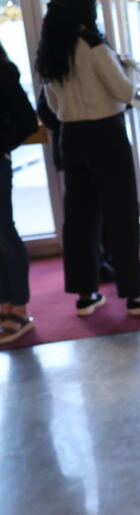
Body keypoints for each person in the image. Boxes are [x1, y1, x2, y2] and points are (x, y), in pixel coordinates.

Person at [36, 0, 140, 316]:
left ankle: (86, 295)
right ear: (87, 7)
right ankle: (135, 294)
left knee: (80, 217)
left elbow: (52, 105)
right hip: (104, 133)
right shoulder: (91, 43)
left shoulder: (52, 47)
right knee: (121, 213)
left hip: (71, 135)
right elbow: (124, 91)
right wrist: (127, 65)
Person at [0, 40, 37, 342]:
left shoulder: (3, 70)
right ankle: (3, 305)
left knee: (4, 234)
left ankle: (19, 308)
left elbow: (26, 121)